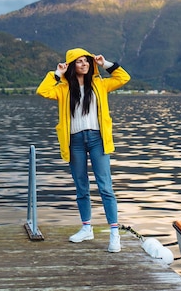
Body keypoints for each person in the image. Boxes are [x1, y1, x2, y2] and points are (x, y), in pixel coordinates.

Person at [36, 47, 131, 252]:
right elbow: (43, 91)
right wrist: (57, 73)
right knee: (81, 187)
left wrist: (104, 63)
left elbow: (123, 77)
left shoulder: (100, 84)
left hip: (98, 139)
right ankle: (87, 228)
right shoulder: (62, 89)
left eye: (86, 61)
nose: (84, 64)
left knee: (105, 187)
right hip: (75, 141)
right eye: (79, 61)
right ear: (71, 65)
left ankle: (114, 233)